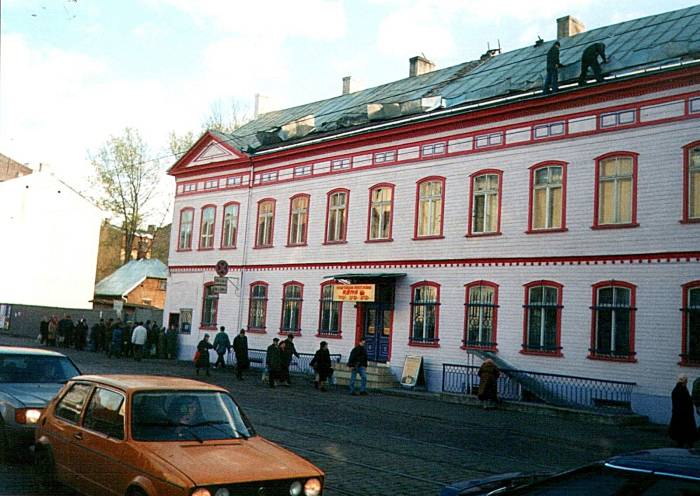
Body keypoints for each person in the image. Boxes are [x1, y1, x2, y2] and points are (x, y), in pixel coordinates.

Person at [669, 374, 697, 448]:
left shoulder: (676, 390)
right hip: (684, 414)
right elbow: (685, 402)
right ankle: (686, 443)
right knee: (686, 430)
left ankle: (681, 443)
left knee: (679, 430)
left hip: (678, 413)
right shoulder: (682, 390)